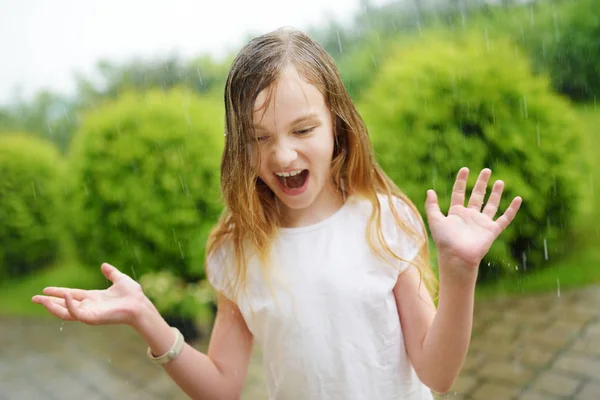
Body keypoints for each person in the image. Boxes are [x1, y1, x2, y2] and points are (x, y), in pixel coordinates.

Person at [32, 27, 522, 400]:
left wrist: (459, 274)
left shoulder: (383, 220)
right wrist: (146, 317)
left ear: (339, 126)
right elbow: (223, 386)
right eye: (260, 138)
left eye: (303, 130)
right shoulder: (237, 248)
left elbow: (437, 373)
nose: (282, 156)